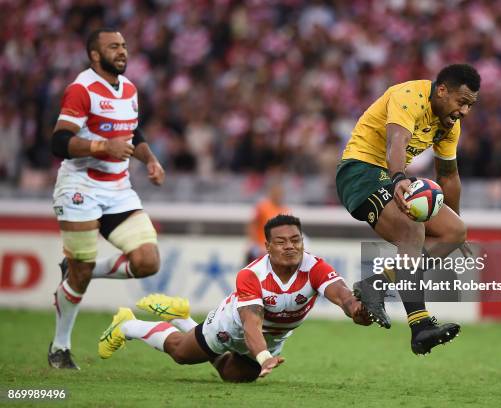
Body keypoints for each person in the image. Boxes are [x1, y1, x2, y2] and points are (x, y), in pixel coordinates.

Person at [98, 215, 372, 382]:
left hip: (273, 339)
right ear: (267, 246)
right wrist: (263, 357)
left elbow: (344, 297)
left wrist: (358, 311)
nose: (290, 246)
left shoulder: (316, 268)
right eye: (281, 241)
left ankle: (183, 318)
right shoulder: (251, 275)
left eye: (296, 240)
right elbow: (251, 325)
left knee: (233, 375)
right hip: (231, 326)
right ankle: (127, 325)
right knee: (182, 354)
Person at [336, 64, 481, 354]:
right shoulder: (409, 95)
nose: (464, 111)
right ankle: (420, 326)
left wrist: (452, 222)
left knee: (455, 232)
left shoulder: (449, 124)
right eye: (461, 102)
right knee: (412, 225)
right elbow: (396, 142)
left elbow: (449, 176)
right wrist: (400, 178)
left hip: (392, 176)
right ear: (441, 91)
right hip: (360, 171)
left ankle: (377, 283)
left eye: (470, 105)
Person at [48, 28, 165, 369]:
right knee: (80, 276)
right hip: (79, 187)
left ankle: (77, 270)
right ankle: (60, 347)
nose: (122, 51)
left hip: (118, 189)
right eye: (113, 47)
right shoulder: (81, 89)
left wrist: (150, 160)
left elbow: (133, 131)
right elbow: (59, 142)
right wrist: (101, 145)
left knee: (147, 261)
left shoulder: (129, 88)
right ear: (95, 56)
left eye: (125, 46)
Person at [245, 181, 289, 264]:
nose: (278, 195)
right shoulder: (263, 207)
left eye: (280, 193)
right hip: (260, 247)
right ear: (271, 193)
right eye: (276, 193)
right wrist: (254, 243)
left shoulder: (285, 210)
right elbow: (252, 224)